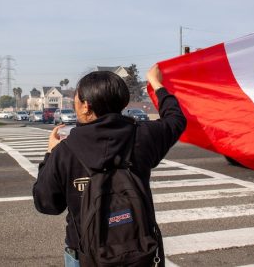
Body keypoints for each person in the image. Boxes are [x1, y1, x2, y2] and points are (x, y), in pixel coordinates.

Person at [33, 64, 186, 267]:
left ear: (86, 105)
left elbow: (47, 204)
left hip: (85, 255)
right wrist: (157, 84)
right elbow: (175, 119)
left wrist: (50, 154)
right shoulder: (143, 135)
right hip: (140, 253)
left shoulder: (65, 151)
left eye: (76, 98)